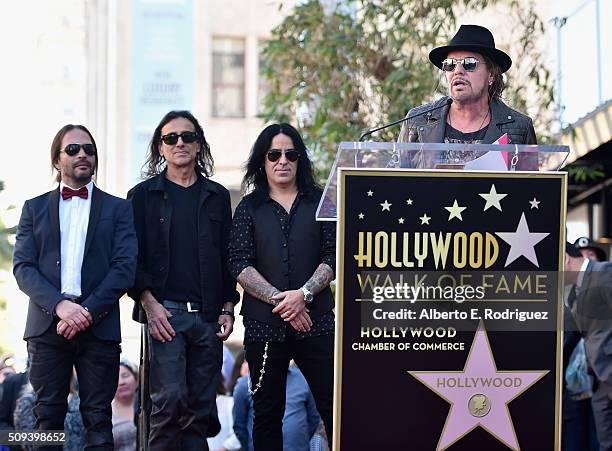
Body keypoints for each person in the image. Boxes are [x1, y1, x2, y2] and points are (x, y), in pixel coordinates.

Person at [12, 124, 137, 450]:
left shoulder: (118, 208)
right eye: (72, 149)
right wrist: (61, 307)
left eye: (89, 149)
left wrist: (87, 311)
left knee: (98, 418)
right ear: (57, 160)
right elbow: (23, 268)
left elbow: (124, 268)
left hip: (100, 327)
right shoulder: (33, 208)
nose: (82, 154)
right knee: (47, 418)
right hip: (46, 326)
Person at [128, 110, 239, 450]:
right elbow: (130, 259)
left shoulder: (217, 195)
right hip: (165, 315)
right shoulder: (142, 196)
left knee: (200, 410)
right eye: (170, 138)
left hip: (207, 317)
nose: (180, 143)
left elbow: (227, 257)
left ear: (199, 143)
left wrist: (228, 306)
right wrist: (149, 305)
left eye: (187, 136)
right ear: (160, 148)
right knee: (168, 402)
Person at [228, 123, 335, 450]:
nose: (282, 161)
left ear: (300, 158)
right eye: (274, 154)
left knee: (333, 406)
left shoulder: (322, 202)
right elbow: (239, 262)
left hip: (316, 320)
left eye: (291, 154)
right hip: (264, 325)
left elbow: (334, 255)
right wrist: (285, 302)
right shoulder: (249, 207)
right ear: (263, 160)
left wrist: (304, 295)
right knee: (266, 412)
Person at [398, 24, 536, 168]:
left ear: (491, 75)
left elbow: (531, 188)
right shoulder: (416, 120)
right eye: (450, 64)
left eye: (469, 63)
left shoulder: (520, 127)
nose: (457, 71)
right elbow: (394, 182)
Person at [565, 242, 612, 450]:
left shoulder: (603, 272)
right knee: (605, 443)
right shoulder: (574, 289)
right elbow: (576, 333)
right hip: (598, 379)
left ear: (565, 259)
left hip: (609, 369)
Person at [232, 364, 321, 451]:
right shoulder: (245, 383)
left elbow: (313, 418)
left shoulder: (304, 379)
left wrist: (298, 440)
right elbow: (239, 425)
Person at [112, 360, 138, 451]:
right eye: (115, 378)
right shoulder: (104, 413)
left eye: (125, 376)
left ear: (136, 379)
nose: (121, 382)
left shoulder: (150, 408)